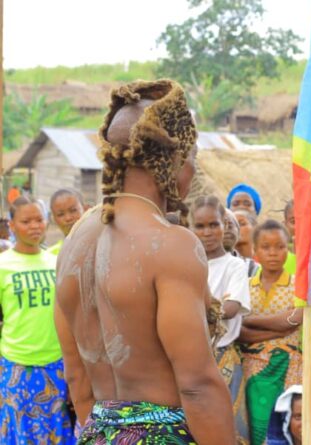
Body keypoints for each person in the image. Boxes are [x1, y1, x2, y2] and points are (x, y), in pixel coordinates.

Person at [55, 80, 236, 444]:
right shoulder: (170, 244)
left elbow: (76, 377)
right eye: (192, 158)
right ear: (173, 159)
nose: (194, 172)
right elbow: (198, 385)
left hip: (98, 431)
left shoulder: (74, 242)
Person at [0, 196, 75, 444]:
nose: (34, 226)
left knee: (56, 430)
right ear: (11, 225)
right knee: (20, 430)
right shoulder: (3, 266)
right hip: (16, 365)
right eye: (26, 221)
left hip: (56, 364)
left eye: (39, 219)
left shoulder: (56, 261)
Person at [190, 195, 251, 443]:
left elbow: (232, 308)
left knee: (229, 430)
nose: (207, 232)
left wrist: (191, 311)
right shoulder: (185, 264)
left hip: (222, 358)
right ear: (189, 227)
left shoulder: (233, 266)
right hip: (189, 359)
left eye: (214, 224)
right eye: (200, 226)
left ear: (224, 225)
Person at [239, 220, 303, 445]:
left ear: (289, 248)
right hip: (252, 374)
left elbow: (295, 319)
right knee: (253, 428)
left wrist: (250, 321)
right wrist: (279, 328)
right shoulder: (245, 287)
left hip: (289, 372)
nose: (273, 253)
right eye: (266, 247)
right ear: (255, 251)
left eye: (280, 246)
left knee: (284, 427)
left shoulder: (298, 286)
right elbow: (239, 333)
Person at [48, 188, 86, 255]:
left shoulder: (100, 246)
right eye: (60, 214)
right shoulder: (52, 255)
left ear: (85, 209)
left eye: (73, 210)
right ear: (54, 218)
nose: (68, 218)